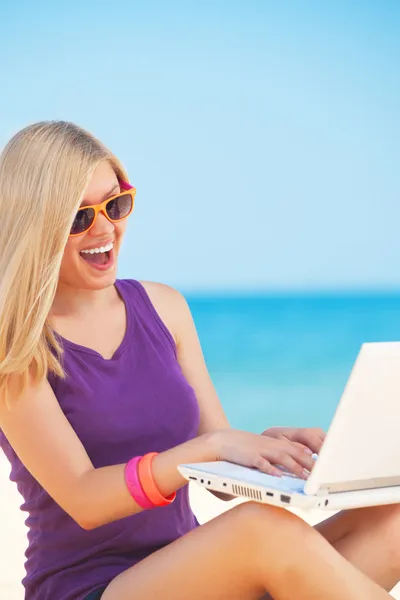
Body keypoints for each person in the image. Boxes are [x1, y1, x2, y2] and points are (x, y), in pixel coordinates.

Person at [0, 121, 398, 600]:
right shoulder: (17, 346)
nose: (105, 228)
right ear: (35, 224)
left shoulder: (166, 308)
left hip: (200, 579)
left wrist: (264, 454)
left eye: (116, 204)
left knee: (393, 518)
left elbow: (220, 473)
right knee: (259, 528)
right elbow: (84, 498)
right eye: (78, 217)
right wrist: (208, 448)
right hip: (92, 588)